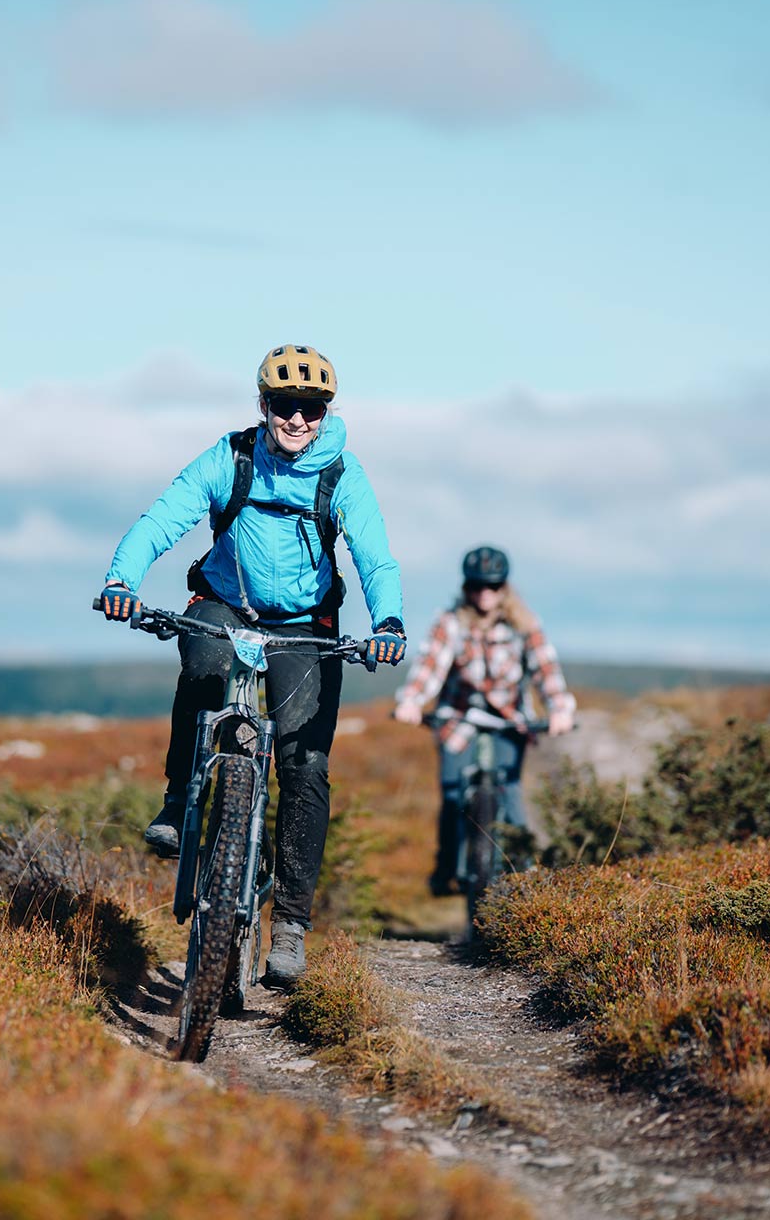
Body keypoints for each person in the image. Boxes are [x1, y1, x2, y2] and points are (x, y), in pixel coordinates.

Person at [98, 344, 405, 989]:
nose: (297, 419)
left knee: (305, 765)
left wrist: (388, 624)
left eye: (311, 408)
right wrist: (122, 580)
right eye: (283, 405)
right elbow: (162, 520)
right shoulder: (231, 459)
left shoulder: (342, 475)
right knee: (202, 665)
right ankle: (180, 795)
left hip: (304, 628)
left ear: (326, 413)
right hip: (226, 606)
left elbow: (374, 557)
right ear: (261, 405)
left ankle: (290, 924)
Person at [391, 546, 575, 897]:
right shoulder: (451, 622)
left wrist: (560, 708)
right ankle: (446, 867)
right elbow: (431, 664)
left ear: (504, 587)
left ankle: (525, 878)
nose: (484, 594)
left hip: (509, 723)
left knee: (511, 795)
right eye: (476, 586)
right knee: (452, 795)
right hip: (457, 721)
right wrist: (411, 701)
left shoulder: (524, 624)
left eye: (492, 586)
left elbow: (545, 668)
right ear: (466, 587)